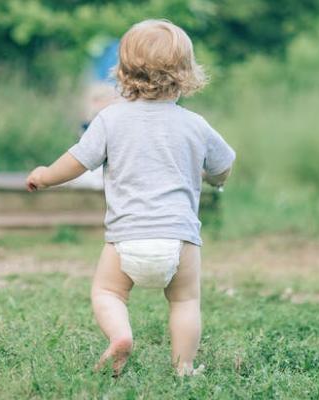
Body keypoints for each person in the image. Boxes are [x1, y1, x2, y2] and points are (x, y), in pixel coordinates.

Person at [26, 19, 236, 377]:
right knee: (185, 301)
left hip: (126, 239)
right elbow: (224, 163)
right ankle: (184, 366)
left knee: (108, 292)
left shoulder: (109, 119)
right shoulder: (195, 124)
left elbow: (77, 161)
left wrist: (45, 176)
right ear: (186, 74)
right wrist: (214, 179)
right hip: (180, 239)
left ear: (123, 71)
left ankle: (121, 334)